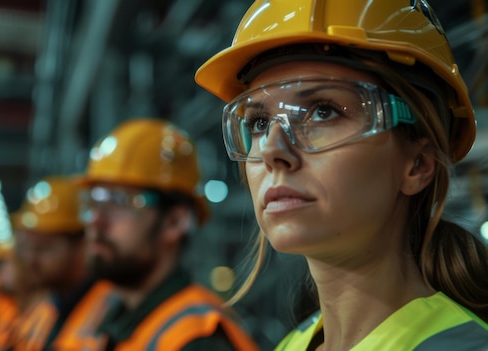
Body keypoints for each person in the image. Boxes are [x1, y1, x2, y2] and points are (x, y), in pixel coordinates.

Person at [194, 0, 488, 349]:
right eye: (259, 122)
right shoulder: (293, 344)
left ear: (418, 164)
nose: (272, 150)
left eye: (323, 112)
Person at [79, 118, 260, 350]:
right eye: (93, 202)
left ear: (174, 222)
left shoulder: (200, 341)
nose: (95, 220)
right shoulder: (116, 320)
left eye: (119, 201)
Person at [10, 175, 114, 351]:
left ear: (83, 246)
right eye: (27, 248)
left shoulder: (109, 313)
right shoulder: (47, 309)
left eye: (43, 249)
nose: (31, 260)